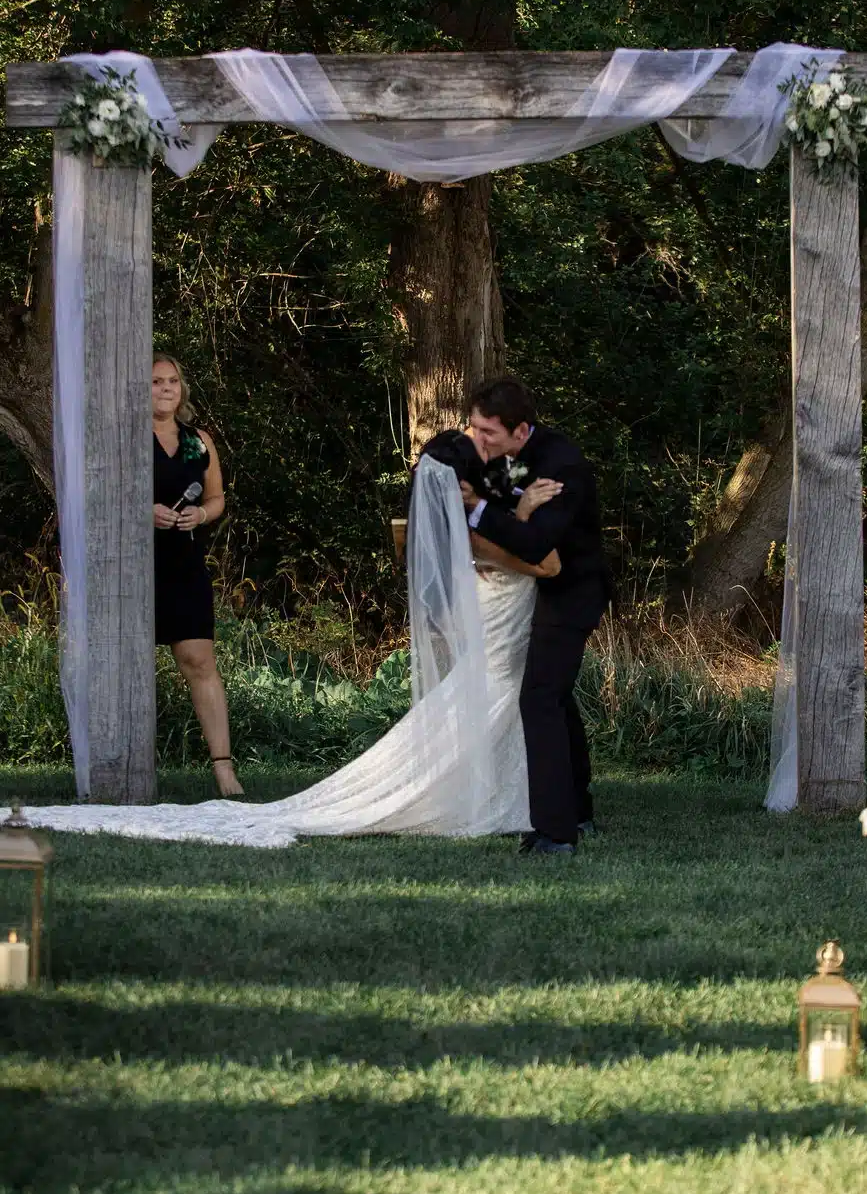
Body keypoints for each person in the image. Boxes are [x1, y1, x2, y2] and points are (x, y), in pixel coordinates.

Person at [26, 429, 558, 844]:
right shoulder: (479, 525)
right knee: (494, 697)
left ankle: (507, 789)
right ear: (464, 486)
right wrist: (527, 513)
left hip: (499, 621)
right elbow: (546, 564)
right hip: (500, 628)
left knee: (492, 703)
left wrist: (520, 508)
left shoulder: (474, 518)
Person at [460, 376, 612, 856]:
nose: (478, 439)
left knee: (541, 697)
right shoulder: (508, 459)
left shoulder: (561, 466)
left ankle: (555, 832)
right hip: (542, 588)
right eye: (474, 428)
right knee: (557, 698)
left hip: (573, 591)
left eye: (489, 433)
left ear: (521, 431)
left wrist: (478, 507)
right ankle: (577, 811)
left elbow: (533, 543)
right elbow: (511, 517)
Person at [152, 354, 243, 799]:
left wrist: (200, 515)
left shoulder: (198, 440)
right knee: (124, 664)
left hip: (183, 564)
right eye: (155, 382)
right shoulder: (125, 436)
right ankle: (122, 768)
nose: (165, 388)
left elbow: (217, 498)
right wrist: (141, 510)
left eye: (172, 381)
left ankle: (224, 771)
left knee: (199, 662)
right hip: (130, 568)